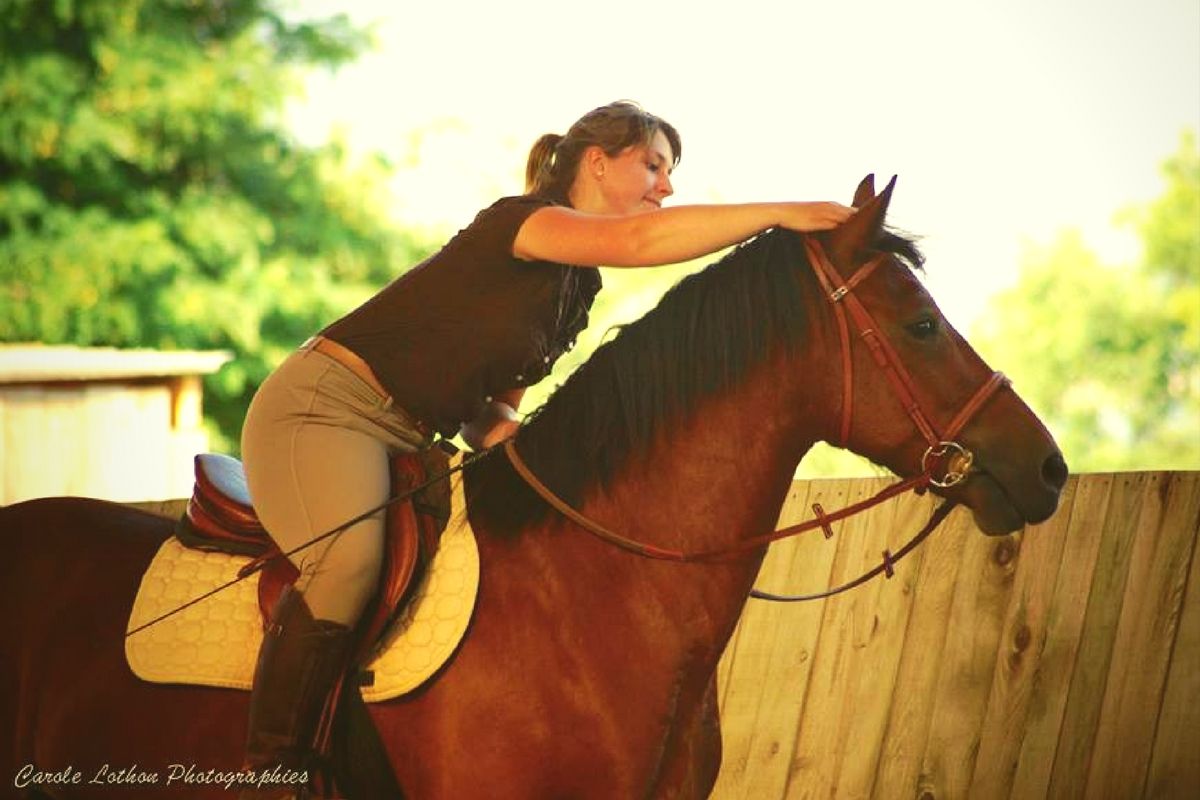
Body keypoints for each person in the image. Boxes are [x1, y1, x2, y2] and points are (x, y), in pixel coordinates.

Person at [236, 100, 854, 797]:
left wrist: (510, 434)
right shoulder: (523, 222)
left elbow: (494, 408)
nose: (667, 186)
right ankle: (274, 768)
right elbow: (644, 246)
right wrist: (782, 212)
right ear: (597, 162)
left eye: (670, 172)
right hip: (324, 411)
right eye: (653, 164)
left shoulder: (574, 288)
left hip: (406, 441)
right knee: (351, 560)